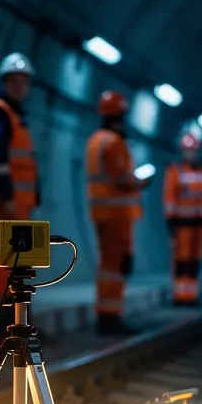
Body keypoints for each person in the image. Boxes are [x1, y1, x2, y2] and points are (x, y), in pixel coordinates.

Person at [0, 52, 40, 345]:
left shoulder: (14, 115)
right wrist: (8, 197)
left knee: (20, 268)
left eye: (23, 82)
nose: (19, 87)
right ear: (3, 82)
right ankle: (5, 332)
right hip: (8, 204)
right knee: (6, 270)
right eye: (13, 81)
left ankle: (22, 327)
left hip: (21, 206)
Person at [84, 90, 149, 335]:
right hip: (117, 215)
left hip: (102, 212)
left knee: (108, 265)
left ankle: (107, 314)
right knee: (117, 265)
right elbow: (123, 178)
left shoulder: (94, 140)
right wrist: (141, 182)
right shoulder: (113, 142)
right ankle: (110, 317)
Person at [163, 133, 202, 306]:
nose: (191, 154)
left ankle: (191, 295)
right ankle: (180, 296)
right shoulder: (175, 171)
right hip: (182, 225)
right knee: (182, 260)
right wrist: (170, 219)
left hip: (199, 226)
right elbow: (169, 197)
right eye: (188, 151)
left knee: (195, 261)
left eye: (194, 151)